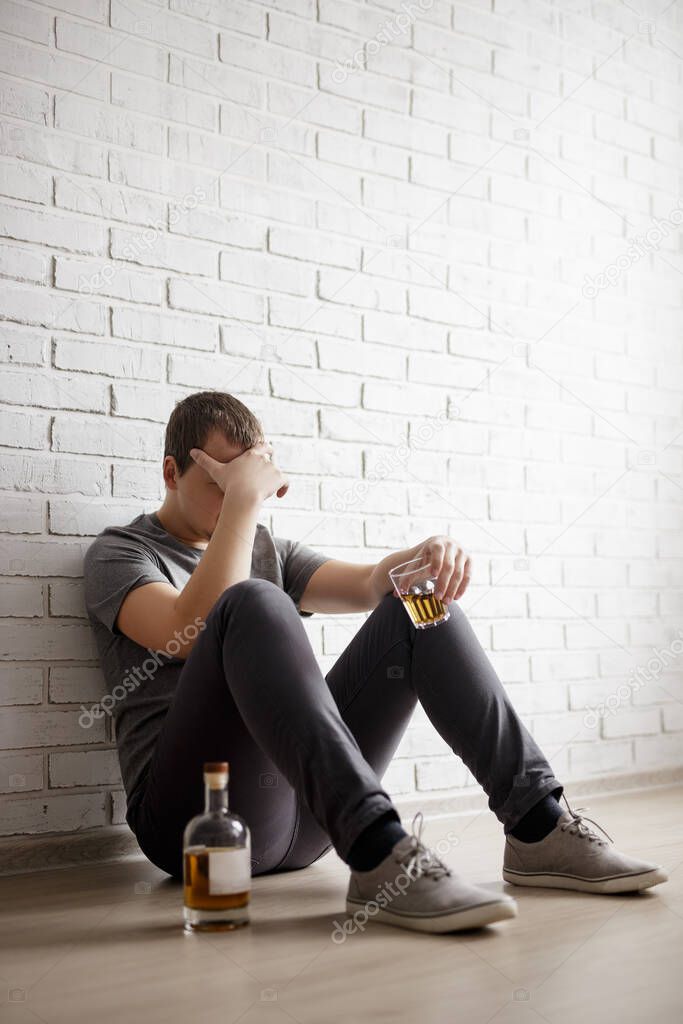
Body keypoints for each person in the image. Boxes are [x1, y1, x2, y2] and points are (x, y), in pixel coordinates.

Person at [83, 390, 668, 935]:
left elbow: (367, 584)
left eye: (251, 480)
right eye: (223, 481)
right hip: (194, 830)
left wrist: (424, 557)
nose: (244, 497)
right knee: (253, 600)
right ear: (170, 473)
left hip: (306, 820)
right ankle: (378, 852)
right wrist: (244, 501)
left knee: (416, 607)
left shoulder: (268, 551)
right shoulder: (119, 554)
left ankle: (539, 826)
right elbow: (187, 631)